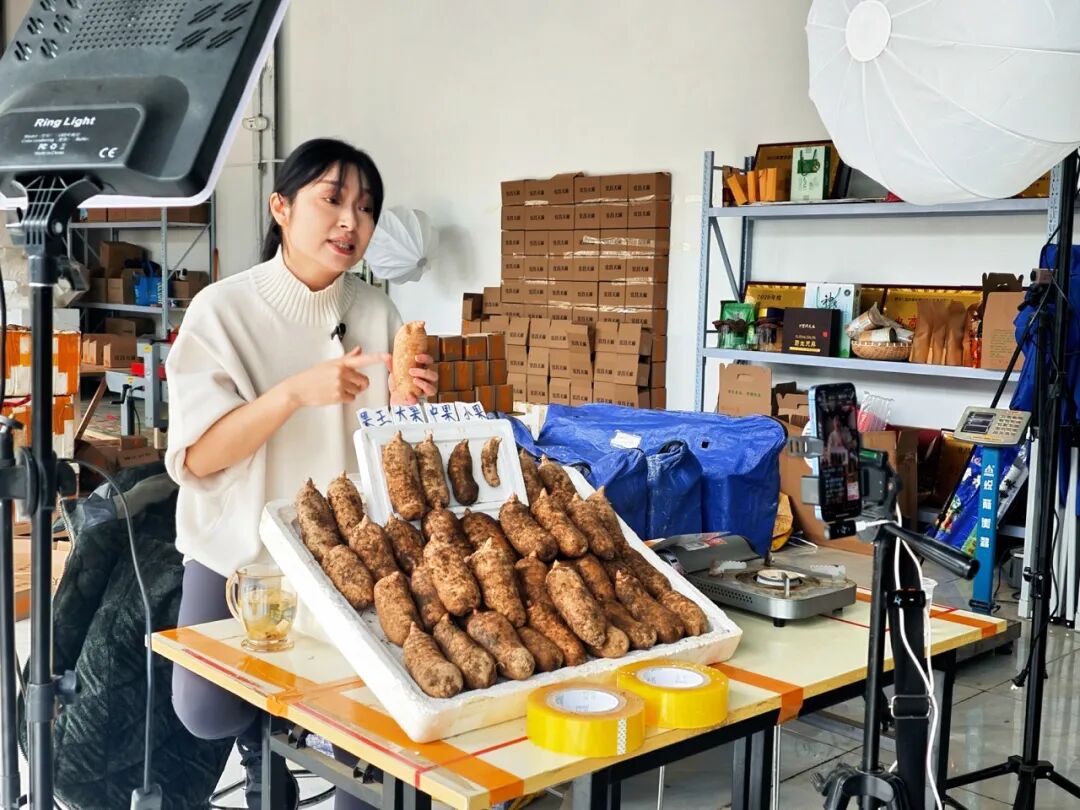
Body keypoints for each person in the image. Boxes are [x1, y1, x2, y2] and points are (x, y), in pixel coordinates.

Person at [165, 138, 437, 810]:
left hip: (347, 557)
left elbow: (392, 455)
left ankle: (334, 770)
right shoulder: (221, 311)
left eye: (366, 208)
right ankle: (263, 751)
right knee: (205, 710)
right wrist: (292, 394)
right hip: (242, 550)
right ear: (280, 207)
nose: (351, 221)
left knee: (368, 750)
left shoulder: (377, 313)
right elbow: (197, 458)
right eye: (332, 199)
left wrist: (406, 411)